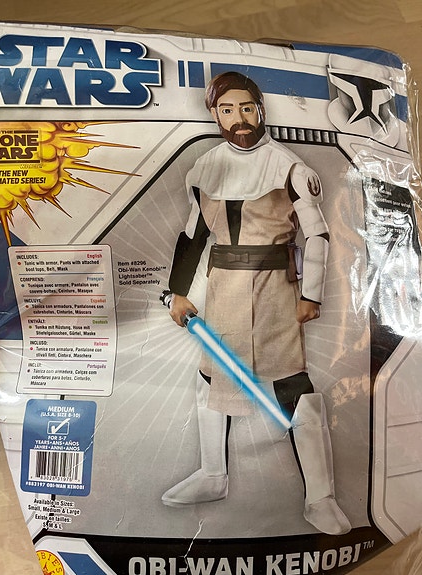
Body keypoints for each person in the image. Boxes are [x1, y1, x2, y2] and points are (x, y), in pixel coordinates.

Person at [161, 71, 351, 536]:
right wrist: (177, 291)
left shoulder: (289, 168)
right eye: (227, 110)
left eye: (246, 107)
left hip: (274, 288)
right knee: (211, 379)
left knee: (294, 388)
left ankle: (320, 498)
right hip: (223, 286)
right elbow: (194, 235)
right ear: (215, 115)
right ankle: (212, 475)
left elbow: (318, 235)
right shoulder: (204, 168)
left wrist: (311, 296)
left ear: (260, 109)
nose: (238, 118)